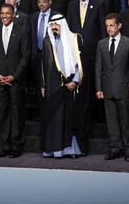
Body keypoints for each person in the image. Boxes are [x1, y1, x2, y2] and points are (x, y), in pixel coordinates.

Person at [0, 4, 30, 158]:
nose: (5, 16)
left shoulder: (22, 32)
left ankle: (17, 146)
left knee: (16, 114)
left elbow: (26, 57)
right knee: (3, 115)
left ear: (13, 15)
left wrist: (14, 76)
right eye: (2, 13)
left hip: (15, 81)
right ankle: (6, 146)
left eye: (8, 13)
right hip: (0, 82)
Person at [95, 13, 129, 162]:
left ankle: (128, 148)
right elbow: (98, 68)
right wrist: (99, 88)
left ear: (119, 25)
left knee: (126, 120)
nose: (109, 28)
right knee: (111, 121)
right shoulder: (101, 44)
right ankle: (115, 147)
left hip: (124, 88)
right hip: (107, 89)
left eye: (112, 25)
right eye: (107, 26)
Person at [40, 13, 85, 158]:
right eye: (51, 25)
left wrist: (76, 81)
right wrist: (43, 85)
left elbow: (80, 63)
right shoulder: (47, 41)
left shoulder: (74, 39)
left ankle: (70, 149)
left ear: (62, 25)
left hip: (71, 85)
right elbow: (42, 66)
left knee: (70, 119)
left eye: (56, 24)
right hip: (53, 86)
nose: (54, 27)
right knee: (55, 119)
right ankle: (55, 150)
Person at [67, 0, 105, 137]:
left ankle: (96, 118)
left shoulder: (98, 4)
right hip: (76, 55)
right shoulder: (72, 6)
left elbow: (103, 29)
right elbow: (69, 29)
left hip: (93, 53)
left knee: (92, 88)